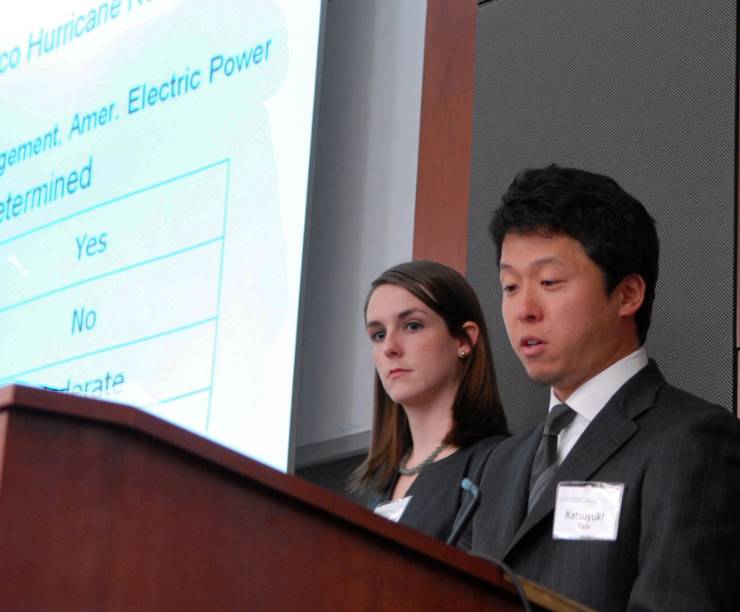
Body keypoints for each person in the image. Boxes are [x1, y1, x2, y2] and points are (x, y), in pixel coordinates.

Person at [462, 164, 740, 610]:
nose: (523, 309)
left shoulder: (691, 440)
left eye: (549, 282)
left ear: (627, 294)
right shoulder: (500, 463)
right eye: (510, 286)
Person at [352, 260, 509, 541]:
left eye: (412, 326)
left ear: (463, 340)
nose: (389, 347)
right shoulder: (375, 485)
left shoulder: (499, 464)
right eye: (378, 334)